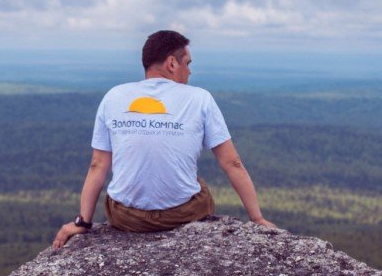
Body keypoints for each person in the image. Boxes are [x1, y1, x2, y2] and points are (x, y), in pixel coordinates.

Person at [53, 30, 275, 249]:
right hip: (181, 215)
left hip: (126, 218)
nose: (189, 71)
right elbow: (231, 163)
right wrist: (257, 219)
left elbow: (97, 165)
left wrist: (83, 222)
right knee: (198, 186)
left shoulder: (113, 96)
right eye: (187, 63)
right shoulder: (200, 99)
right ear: (171, 63)